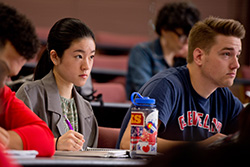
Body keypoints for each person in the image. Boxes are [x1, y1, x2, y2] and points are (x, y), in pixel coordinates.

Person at [118, 16, 246, 152]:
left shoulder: (225, 98)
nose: (236, 65)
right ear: (199, 57)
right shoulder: (165, 87)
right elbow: (132, 143)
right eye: (226, 54)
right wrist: (200, 147)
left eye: (237, 55)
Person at [16, 18, 98, 151]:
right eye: (79, 56)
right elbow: (14, 145)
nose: (86, 66)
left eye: (91, 57)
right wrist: (54, 143)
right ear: (54, 57)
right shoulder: (29, 95)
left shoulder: (86, 108)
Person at [0, 2, 54, 157]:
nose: (3, 82)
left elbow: (46, 139)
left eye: (7, 76)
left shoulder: (2, 94)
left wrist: (7, 139)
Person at [126, 2, 200, 99]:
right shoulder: (142, 52)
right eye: (181, 36)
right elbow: (145, 93)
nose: (187, 41)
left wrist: (192, 62)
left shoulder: (187, 59)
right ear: (164, 30)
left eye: (189, 36)